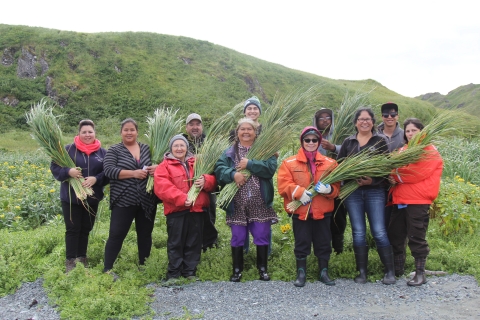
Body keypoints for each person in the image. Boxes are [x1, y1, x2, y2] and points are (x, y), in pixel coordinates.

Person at [215, 118, 277, 282]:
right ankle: (237, 270)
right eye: (242, 129)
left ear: (256, 132)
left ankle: (262, 269)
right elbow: (219, 170)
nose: (246, 132)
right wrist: (233, 174)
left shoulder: (265, 150)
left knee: (262, 234)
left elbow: (270, 169)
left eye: (250, 129)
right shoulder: (229, 152)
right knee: (237, 236)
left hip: (259, 202)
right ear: (237, 132)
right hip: (237, 203)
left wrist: (250, 164)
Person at [337, 107, 395, 285]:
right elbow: (339, 166)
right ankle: (362, 272)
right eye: (361, 119)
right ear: (355, 122)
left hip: (375, 192)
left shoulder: (381, 141)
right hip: (353, 193)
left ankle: (389, 271)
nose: (364, 122)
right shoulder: (349, 142)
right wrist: (350, 176)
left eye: (368, 119)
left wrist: (372, 181)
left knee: (378, 230)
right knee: (359, 232)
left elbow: (386, 169)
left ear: (373, 122)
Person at [277, 126, 340, 287]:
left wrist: (329, 190)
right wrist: (298, 192)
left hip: (323, 211)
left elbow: (337, 188)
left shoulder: (331, 163)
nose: (311, 143)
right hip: (301, 212)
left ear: (319, 142)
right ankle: (301, 272)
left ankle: (324, 272)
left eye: (314, 140)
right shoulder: (289, 163)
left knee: (324, 242)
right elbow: (283, 185)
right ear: (302, 141)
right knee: (301, 242)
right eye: (307, 140)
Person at [388, 118, 443, 286]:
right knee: (395, 233)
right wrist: (393, 173)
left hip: (418, 200)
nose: (410, 133)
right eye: (408, 131)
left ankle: (420, 273)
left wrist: (395, 176)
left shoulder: (429, 151)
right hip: (400, 199)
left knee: (416, 235)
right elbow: (391, 166)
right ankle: (398, 269)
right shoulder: (404, 150)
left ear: (422, 132)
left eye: (414, 130)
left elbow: (415, 172)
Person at [154, 135, 217, 280]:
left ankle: (189, 271)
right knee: (176, 242)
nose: (179, 148)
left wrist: (206, 180)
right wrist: (182, 199)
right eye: (176, 146)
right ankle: (174, 273)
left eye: (182, 145)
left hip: (197, 209)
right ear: (171, 148)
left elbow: (213, 181)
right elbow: (162, 188)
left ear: (187, 147)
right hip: (176, 210)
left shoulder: (198, 162)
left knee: (194, 242)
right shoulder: (164, 166)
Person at [102, 118, 159, 279]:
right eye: (126, 130)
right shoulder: (114, 150)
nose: (129, 132)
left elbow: (159, 164)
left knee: (145, 234)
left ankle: (144, 266)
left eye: (132, 130)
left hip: (146, 200)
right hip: (123, 199)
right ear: (121, 132)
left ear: (137, 132)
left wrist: (157, 168)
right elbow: (109, 170)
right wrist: (133, 173)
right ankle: (107, 269)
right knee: (116, 234)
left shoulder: (146, 148)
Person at [50, 119, 108, 273]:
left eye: (90, 132)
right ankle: (70, 260)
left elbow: (108, 173)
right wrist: (68, 172)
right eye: (84, 132)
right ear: (79, 133)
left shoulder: (103, 153)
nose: (87, 134)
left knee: (86, 228)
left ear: (95, 133)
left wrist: (96, 179)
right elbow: (55, 168)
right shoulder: (67, 150)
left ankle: (82, 257)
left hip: (92, 198)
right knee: (72, 229)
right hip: (71, 198)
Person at [182, 113, 219, 252]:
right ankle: (191, 243)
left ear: (202, 127)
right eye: (191, 124)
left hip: (207, 185)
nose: (195, 127)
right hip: (186, 185)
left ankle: (209, 243)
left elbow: (217, 161)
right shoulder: (182, 142)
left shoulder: (209, 142)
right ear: (186, 127)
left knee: (209, 214)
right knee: (188, 215)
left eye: (198, 124)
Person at [314, 107, 347, 254]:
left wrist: (333, 147)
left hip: (338, 184)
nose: (325, 120)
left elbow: (349, 150)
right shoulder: (312, 136)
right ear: (316, 121)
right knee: (321, 218)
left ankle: (338, 250)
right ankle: (323, 250)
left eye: (328, 117)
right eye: (321, 118)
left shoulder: (340, 134)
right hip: (318, 185)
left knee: (338, 217)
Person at [377, 102, 405, 229]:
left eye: (393, 114)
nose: (390, 117)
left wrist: (396, 176)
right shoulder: (374, 135)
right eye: (386, 114)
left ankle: (398, 247)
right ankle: (383, 246)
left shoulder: (405, 135)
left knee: (399, 218)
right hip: (378, 184)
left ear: (397, 116)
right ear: (382, 116)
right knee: (381, 219)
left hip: (400, 184)